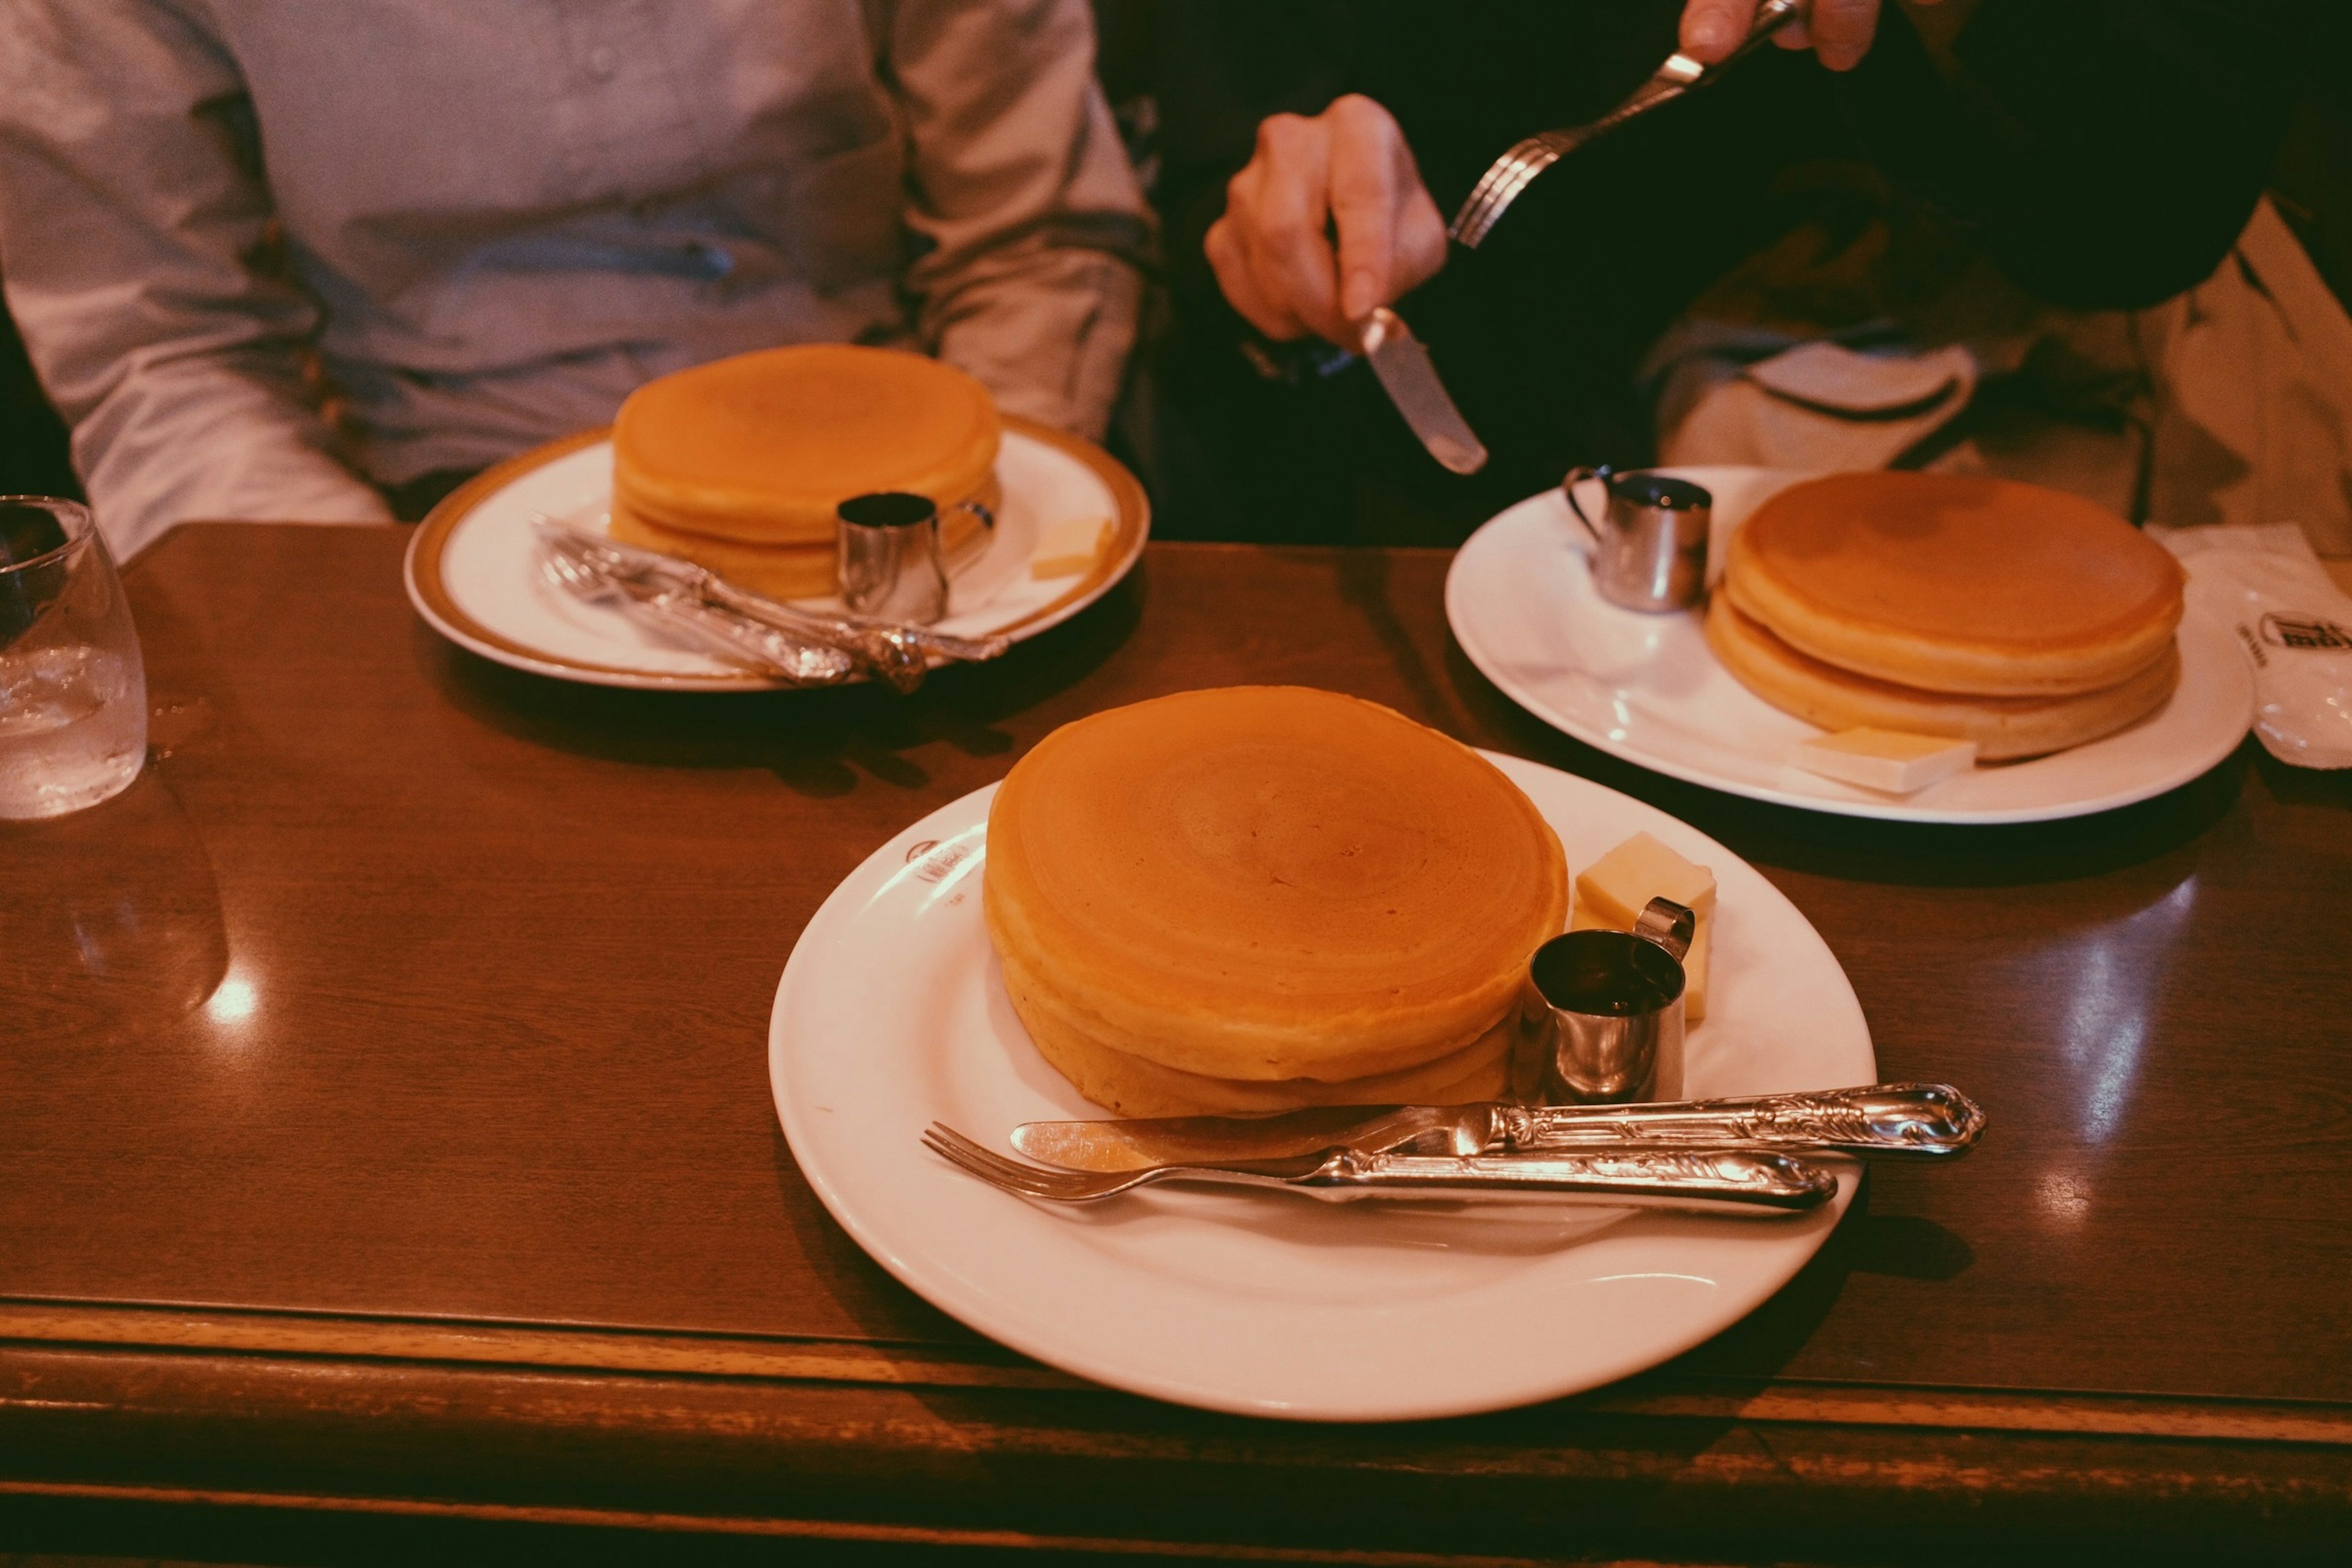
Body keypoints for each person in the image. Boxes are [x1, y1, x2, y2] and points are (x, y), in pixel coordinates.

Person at [0, 1, 1152, 559]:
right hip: (413, 505)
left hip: (908, 485)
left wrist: (969, 528)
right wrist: (362, 619)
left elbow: (1035, 237)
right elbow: (165, 352)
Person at [1130, 0, 2311, 543]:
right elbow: (1214, 162)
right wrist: (1272, 233)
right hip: (1421, 518)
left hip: (1931, 494)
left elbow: (2152, 216)